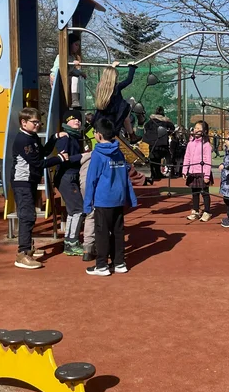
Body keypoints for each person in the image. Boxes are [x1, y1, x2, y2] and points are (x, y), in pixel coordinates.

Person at [11, 107, 68, 270]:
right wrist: (59, 159)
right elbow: (37, 163)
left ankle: (28, 247)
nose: (38, 125)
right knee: (27, 216)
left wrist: (54, 138)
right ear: (24, 122)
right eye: (34, 122)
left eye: (39, 122)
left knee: (30, 215)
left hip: (30, 181)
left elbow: (42, 152)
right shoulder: (23, 140)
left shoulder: (32, 137)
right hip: (22, 182)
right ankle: (22, 254)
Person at [82, 118, 138, 276]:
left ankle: (101, 265)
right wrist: (130, 198)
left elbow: (91, 180)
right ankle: (119, 262)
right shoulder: (119, 152)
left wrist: (87, 204)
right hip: (118, 199)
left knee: (102, 233)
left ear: (98, 135)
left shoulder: (97, 154)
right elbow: (125, 177)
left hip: (103, 200)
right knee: (118, 231)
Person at [55, 110, 86, 256]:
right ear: (66, 122)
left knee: (73, 210)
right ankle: (72, 242)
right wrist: (83, 156)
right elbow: (64, 158)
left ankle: (69, 240)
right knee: (78, 209)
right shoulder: (65, 138)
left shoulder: (75, 137)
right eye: (73, 119)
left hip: (71, 176)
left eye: (78, 119)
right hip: (66, 177)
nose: (77, 121)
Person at [94, 61, 140, 144]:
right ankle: (132, 134)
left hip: (104, 116)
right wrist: (132, 67)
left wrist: (113, 66)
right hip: (117, 116)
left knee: (126, 117)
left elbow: (108, 74)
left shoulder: (99, 87)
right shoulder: (116, 88)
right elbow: (129, 80)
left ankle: (132, 135)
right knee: (131, 100)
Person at [183, 120, 213, 222]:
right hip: (192, 172)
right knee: (194, 193)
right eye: (195, 128)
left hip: (203, 172)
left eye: (199, 128)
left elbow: (208, 161)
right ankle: (195, 211)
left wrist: (207, 176)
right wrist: (185, 170)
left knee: (205, 193)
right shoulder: (190, 143)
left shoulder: (206, 145)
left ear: (204, 131)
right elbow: (187, 157)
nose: (196, 130)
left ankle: (207, 212)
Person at [50, 34, 87, 108]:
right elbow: (58, 69)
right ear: (70, 44)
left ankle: (75, 100)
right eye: (76, 45)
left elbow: (73, 70)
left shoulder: (71, 57)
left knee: (75, 77)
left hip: (65, 79)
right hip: (57, 79)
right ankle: (74, 100)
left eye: (78, 45)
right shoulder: (61, 56)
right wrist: (72, 63)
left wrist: (80, 73)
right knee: (74, 78)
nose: (77, 47)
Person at [143, 106, 175, 181]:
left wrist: (151, 135)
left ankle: (153, 174)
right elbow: (172, 128)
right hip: (162, 142)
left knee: (153, 158)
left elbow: (146, 127)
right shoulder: (165, 121)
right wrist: (167, 134)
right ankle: (166, 172)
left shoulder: (151, 121)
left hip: (153, 143)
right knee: (164, 157)